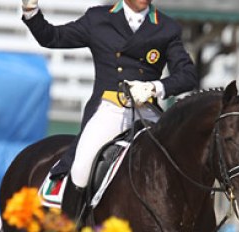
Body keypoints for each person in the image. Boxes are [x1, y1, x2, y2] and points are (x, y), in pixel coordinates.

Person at [21, 0, 199, 220]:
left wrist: (155, 87)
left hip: (147, 111)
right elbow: (52, 37)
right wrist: (31, 10)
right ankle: (72, 223)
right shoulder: (98, 19)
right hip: (110, 109)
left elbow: (188, 75)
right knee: (80, 169)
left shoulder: (167, 27)